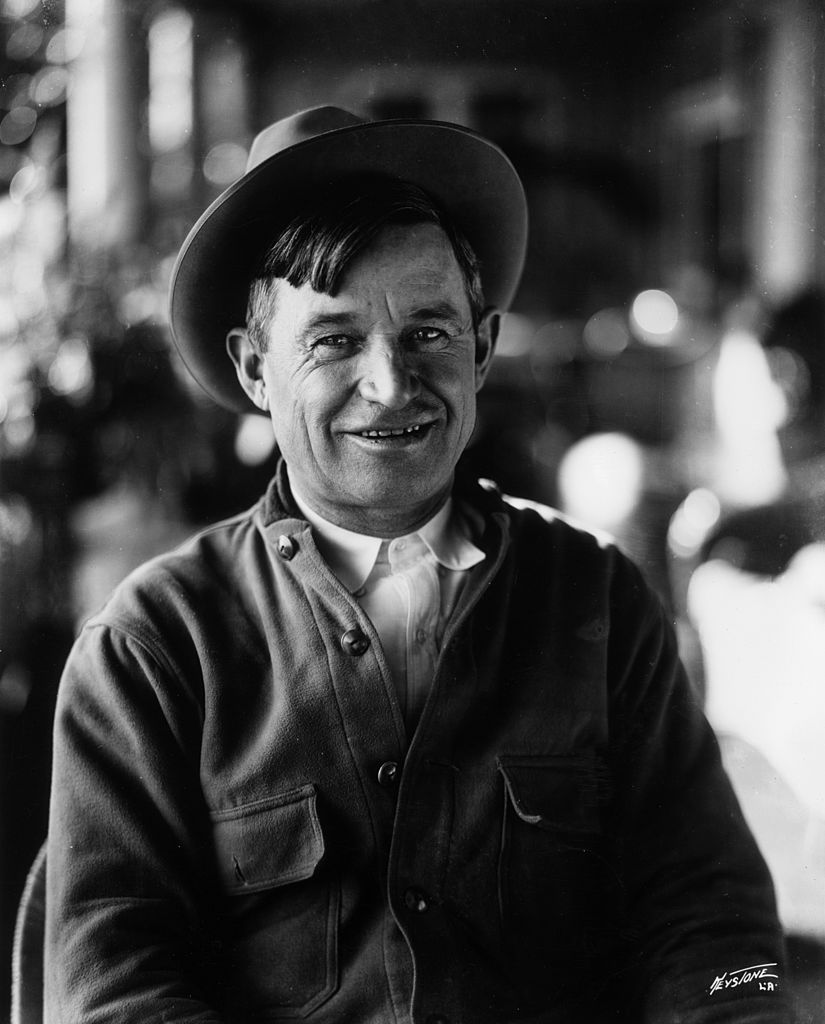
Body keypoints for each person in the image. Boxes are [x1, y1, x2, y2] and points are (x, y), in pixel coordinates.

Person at [44, 106, 788, 1023]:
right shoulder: (154, 647)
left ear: (480, 348)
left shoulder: (596, 602)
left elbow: (719, 932)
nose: (391, 384)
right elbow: (112, 983)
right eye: (333, 341)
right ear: (253, 371)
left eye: (428, 332)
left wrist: (734, 1008)